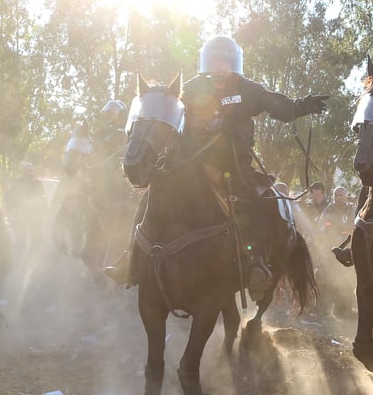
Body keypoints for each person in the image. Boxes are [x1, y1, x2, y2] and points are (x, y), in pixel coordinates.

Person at [105, 35, 328, 295]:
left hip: (235, 168)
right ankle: (132, 256)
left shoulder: (247, 89)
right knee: (151, 196)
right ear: (206, 63)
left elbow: (276, 105)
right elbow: (166, 108)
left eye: (226, 61)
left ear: (234, 63)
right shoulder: (191, 88)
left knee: (259, 202)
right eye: (215, 61)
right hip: (191, 165)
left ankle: (255, 263)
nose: (220, 66)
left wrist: (301, 106)